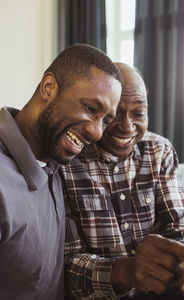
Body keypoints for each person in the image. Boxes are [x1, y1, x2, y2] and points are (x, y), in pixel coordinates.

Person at [62, 63, 184, 299]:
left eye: (138, 113)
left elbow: (179, 227)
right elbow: (68, 269)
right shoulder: (67, 161)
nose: (127, 126)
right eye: (115, 114)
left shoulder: (159, 150)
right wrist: (126, 271)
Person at [0, 43, 122, 300]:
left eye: (106, 120)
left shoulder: (55, 162)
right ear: (49, 88)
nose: (97, 132)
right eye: (90, 108)